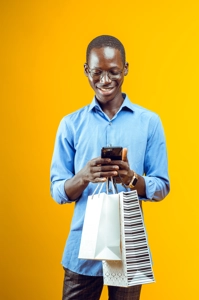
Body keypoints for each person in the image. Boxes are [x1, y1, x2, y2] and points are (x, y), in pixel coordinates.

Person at [50, 35, 170, 300]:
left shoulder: (149, 122)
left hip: (128, 247)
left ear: (125, 68)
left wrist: (132, 178)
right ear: (86, 70)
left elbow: (161, 186)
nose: (105, 80)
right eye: (97, 72)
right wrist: (83, 177)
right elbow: (58, 191)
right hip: (82, 250)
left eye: (114, 72)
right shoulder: (70, 125)